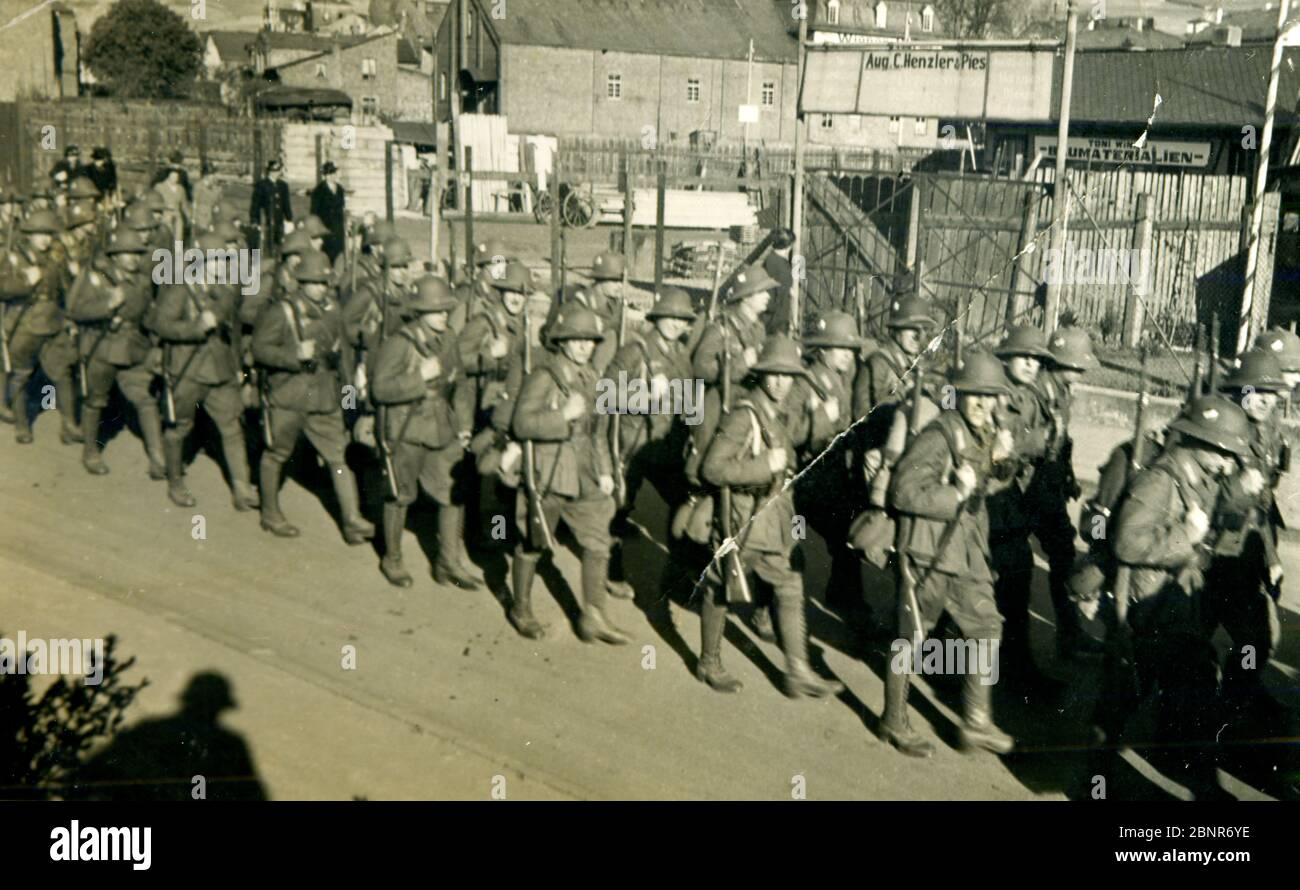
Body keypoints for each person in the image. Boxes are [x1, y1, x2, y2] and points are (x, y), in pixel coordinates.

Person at [1091, 395, 1254, 798]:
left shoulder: (1198, 477)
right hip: (1144, 610)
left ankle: (1203, 783)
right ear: (1201, 444)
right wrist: (1187, 536)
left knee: (1198, 689)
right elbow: (1126, 542)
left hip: (1176, 607)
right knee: (1121, 701)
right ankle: (1095, 783)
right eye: (1225, 453)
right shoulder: (1161, 479)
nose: (1229, 464)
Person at [882, 350, 1019, 757]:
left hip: (967, 550)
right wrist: (955, 492)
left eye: (989, 396)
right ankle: (892, 721)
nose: (982, 404)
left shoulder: (984, 435)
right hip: (929, 550)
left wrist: (1002, 463)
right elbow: (903, 492)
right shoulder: (939, 434)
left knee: (986, 627)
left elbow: (986, 486)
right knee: (913, 637)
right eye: (973, 395)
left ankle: (975, 723)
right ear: (957, 396)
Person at [696, 335, 847, 698]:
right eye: (774, 375)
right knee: (721, 585)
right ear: (762, 375)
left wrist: (818, 421)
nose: (780, 382)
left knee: (789, 586)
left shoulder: (774, 413)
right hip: (744, 521)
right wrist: (764, 465)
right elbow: (712, 469)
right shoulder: (744, 415)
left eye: (788, 376)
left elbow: (791, 437)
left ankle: (796, 671)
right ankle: (709, 661)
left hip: (770, 520)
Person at [508, 304, 634, 643]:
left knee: (597, 540)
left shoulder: (594, 377)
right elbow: (520, 423)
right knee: (534, 542)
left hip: (585, 472)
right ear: (562, 341)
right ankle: (520, 607)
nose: (583, 346)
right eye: (576, 340)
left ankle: (593, 615)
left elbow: (600, 430)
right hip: (550, 470)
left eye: (589, 340)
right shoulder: (544, 376)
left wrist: (606, 470)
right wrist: (562, 415)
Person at [251, 249, 374, 544]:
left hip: (325, 395)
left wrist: (347, 399)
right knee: (277, 453)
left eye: (325, 282)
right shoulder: (281, 310)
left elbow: (343, 357)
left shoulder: (333, 310)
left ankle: (352, 519)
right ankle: (270, 512)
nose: (322, 287)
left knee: (338, 455)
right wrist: (294, 355)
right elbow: (259, 350)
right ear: (301, 282)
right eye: (315, 282)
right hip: (290, 394)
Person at [370, 274, 480, 589]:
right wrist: (419, 378)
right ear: (419, 312)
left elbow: (459, 386)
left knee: (452, 494)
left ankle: (448, 562)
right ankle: (392, 559)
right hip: (408, 428)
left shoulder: (448, 339)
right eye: (436, 310)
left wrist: (465, 424)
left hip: (443, 427)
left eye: (446, 309)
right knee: (400, 494)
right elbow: (379, 390)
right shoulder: (400, 343)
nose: (444, 315)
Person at [150, 232, 258, 511]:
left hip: (220, 370)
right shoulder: (179, 289)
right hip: (188, 369)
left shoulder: (224, 289)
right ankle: (175, 482)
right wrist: (196, 327)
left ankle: (242, 488)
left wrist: (236, 369)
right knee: (179, 428)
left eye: (225, 260)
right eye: (218, 260)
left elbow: (232, 334)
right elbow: (160, 325)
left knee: (232, 427)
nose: (223, 265)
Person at [987, 324, 1060, 693]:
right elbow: (993, 447)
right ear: (1006, 357)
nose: (1031, 364)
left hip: (1011, 503)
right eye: (1024, 356)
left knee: (1013, 581)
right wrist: (1030, 442)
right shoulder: (994, 392)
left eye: (1036, 359)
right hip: (987, 502)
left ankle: (1014, 666)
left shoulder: (1029, 394)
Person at [1027, 326, 1105, 661]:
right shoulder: (1035, 392)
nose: (1080, 372)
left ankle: (1069, 636)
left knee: (1062, 558)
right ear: (1056, 363)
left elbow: (1062, 443)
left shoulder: (1061, 391)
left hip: (1047, 489)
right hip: (1024, 492)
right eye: (1074, 365)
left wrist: (1067, 478)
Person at [66, 228, 164, 478]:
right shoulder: (97, 278)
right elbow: (75, 310)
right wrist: (107, 304)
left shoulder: (142, 280)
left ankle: (158, 457)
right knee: (95, 400)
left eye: (136, 253)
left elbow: (148, 315)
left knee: (144, 399)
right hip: (104, 347)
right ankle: (90, 452)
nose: (133, 258)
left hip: (133, 349)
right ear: (115, 255)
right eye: (126, 253)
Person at [0, 209, 70, 443]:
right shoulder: (14, 258)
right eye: (40, 234)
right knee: (20, 375)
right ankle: (22, 425)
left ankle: (70, 424)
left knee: (62, 371)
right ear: (29, 235)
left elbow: (63, 289)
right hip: (25, 321)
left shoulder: (55, 257)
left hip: (52, 320)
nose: (45, 239)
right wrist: (25, 282)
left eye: (49, 234)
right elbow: (3, 288)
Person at [250, 159, 293, 254]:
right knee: (267, 245)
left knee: (280, 244)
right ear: (268, 171)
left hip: (279, 221)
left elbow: (286, 204)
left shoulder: (283, 185)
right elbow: (255, 205)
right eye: (273, 171)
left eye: (278, 171)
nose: (276, 173)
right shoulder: (262, 185)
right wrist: (255, 220)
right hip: (267, 220)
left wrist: (289, 219)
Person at [311, 161, 347, 264]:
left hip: (338, 227)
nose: (332, 176)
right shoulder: (318, 191)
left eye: (334, 173)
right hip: (325, 228)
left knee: (339, 252)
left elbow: (342, 207)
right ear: (325, 175)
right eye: (330, 173)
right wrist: (317, 232)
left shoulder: (340, 189)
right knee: (327, 253)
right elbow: (314, 212)